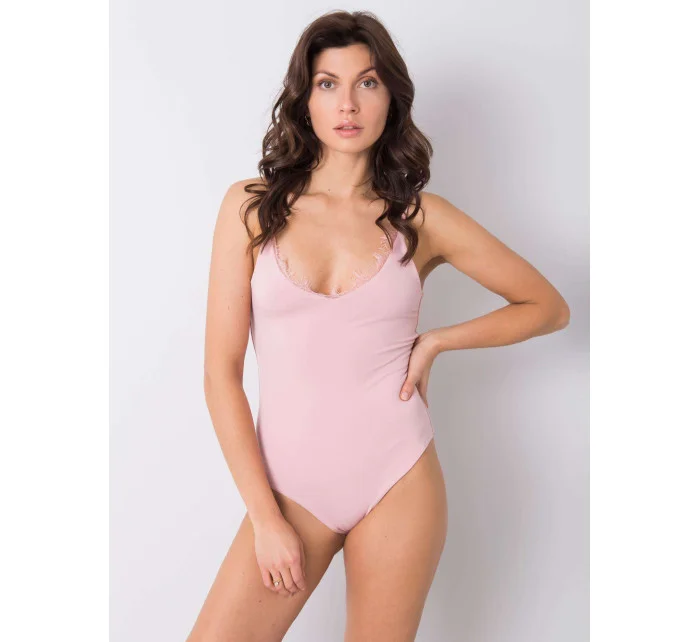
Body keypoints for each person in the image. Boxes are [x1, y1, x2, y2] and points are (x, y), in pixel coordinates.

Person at [188, 10, 570, 642]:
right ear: (304, 98)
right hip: (289, 488)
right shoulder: (251, 209)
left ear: (390, 96)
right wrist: (265, 517)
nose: (348, 104)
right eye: (327, 83)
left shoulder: (421, 218)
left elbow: (547, 306)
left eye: (367, 82)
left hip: (399, 475)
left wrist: (438, 341)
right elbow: (220, 375)